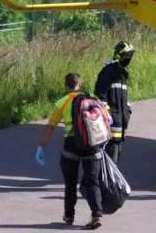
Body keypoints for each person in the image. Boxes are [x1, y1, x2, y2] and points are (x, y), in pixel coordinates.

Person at [35, 73, 103, 229]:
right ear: (80, 85)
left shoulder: (62, 103)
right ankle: (97, 215)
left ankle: (69, 216)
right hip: (91, 143)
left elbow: (51, 126)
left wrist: (41, 146)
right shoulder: (92, 99)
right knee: (93, 181)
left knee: (70, 183)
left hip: (71, 144)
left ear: (66, 86)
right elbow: (107, 118)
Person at [94, 41, 134, 164]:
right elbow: (100, 95)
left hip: (120, 120)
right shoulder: (108, 71)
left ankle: (111, 180)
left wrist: (127, 110)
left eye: (130, 56)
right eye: (127, 56)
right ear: (119, 56)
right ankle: (107, 181)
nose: (129, 59)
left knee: (116, 151)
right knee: (111, 154)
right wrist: (107, 114)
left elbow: (120, 97)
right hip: (111, 120)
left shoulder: (122, 74)